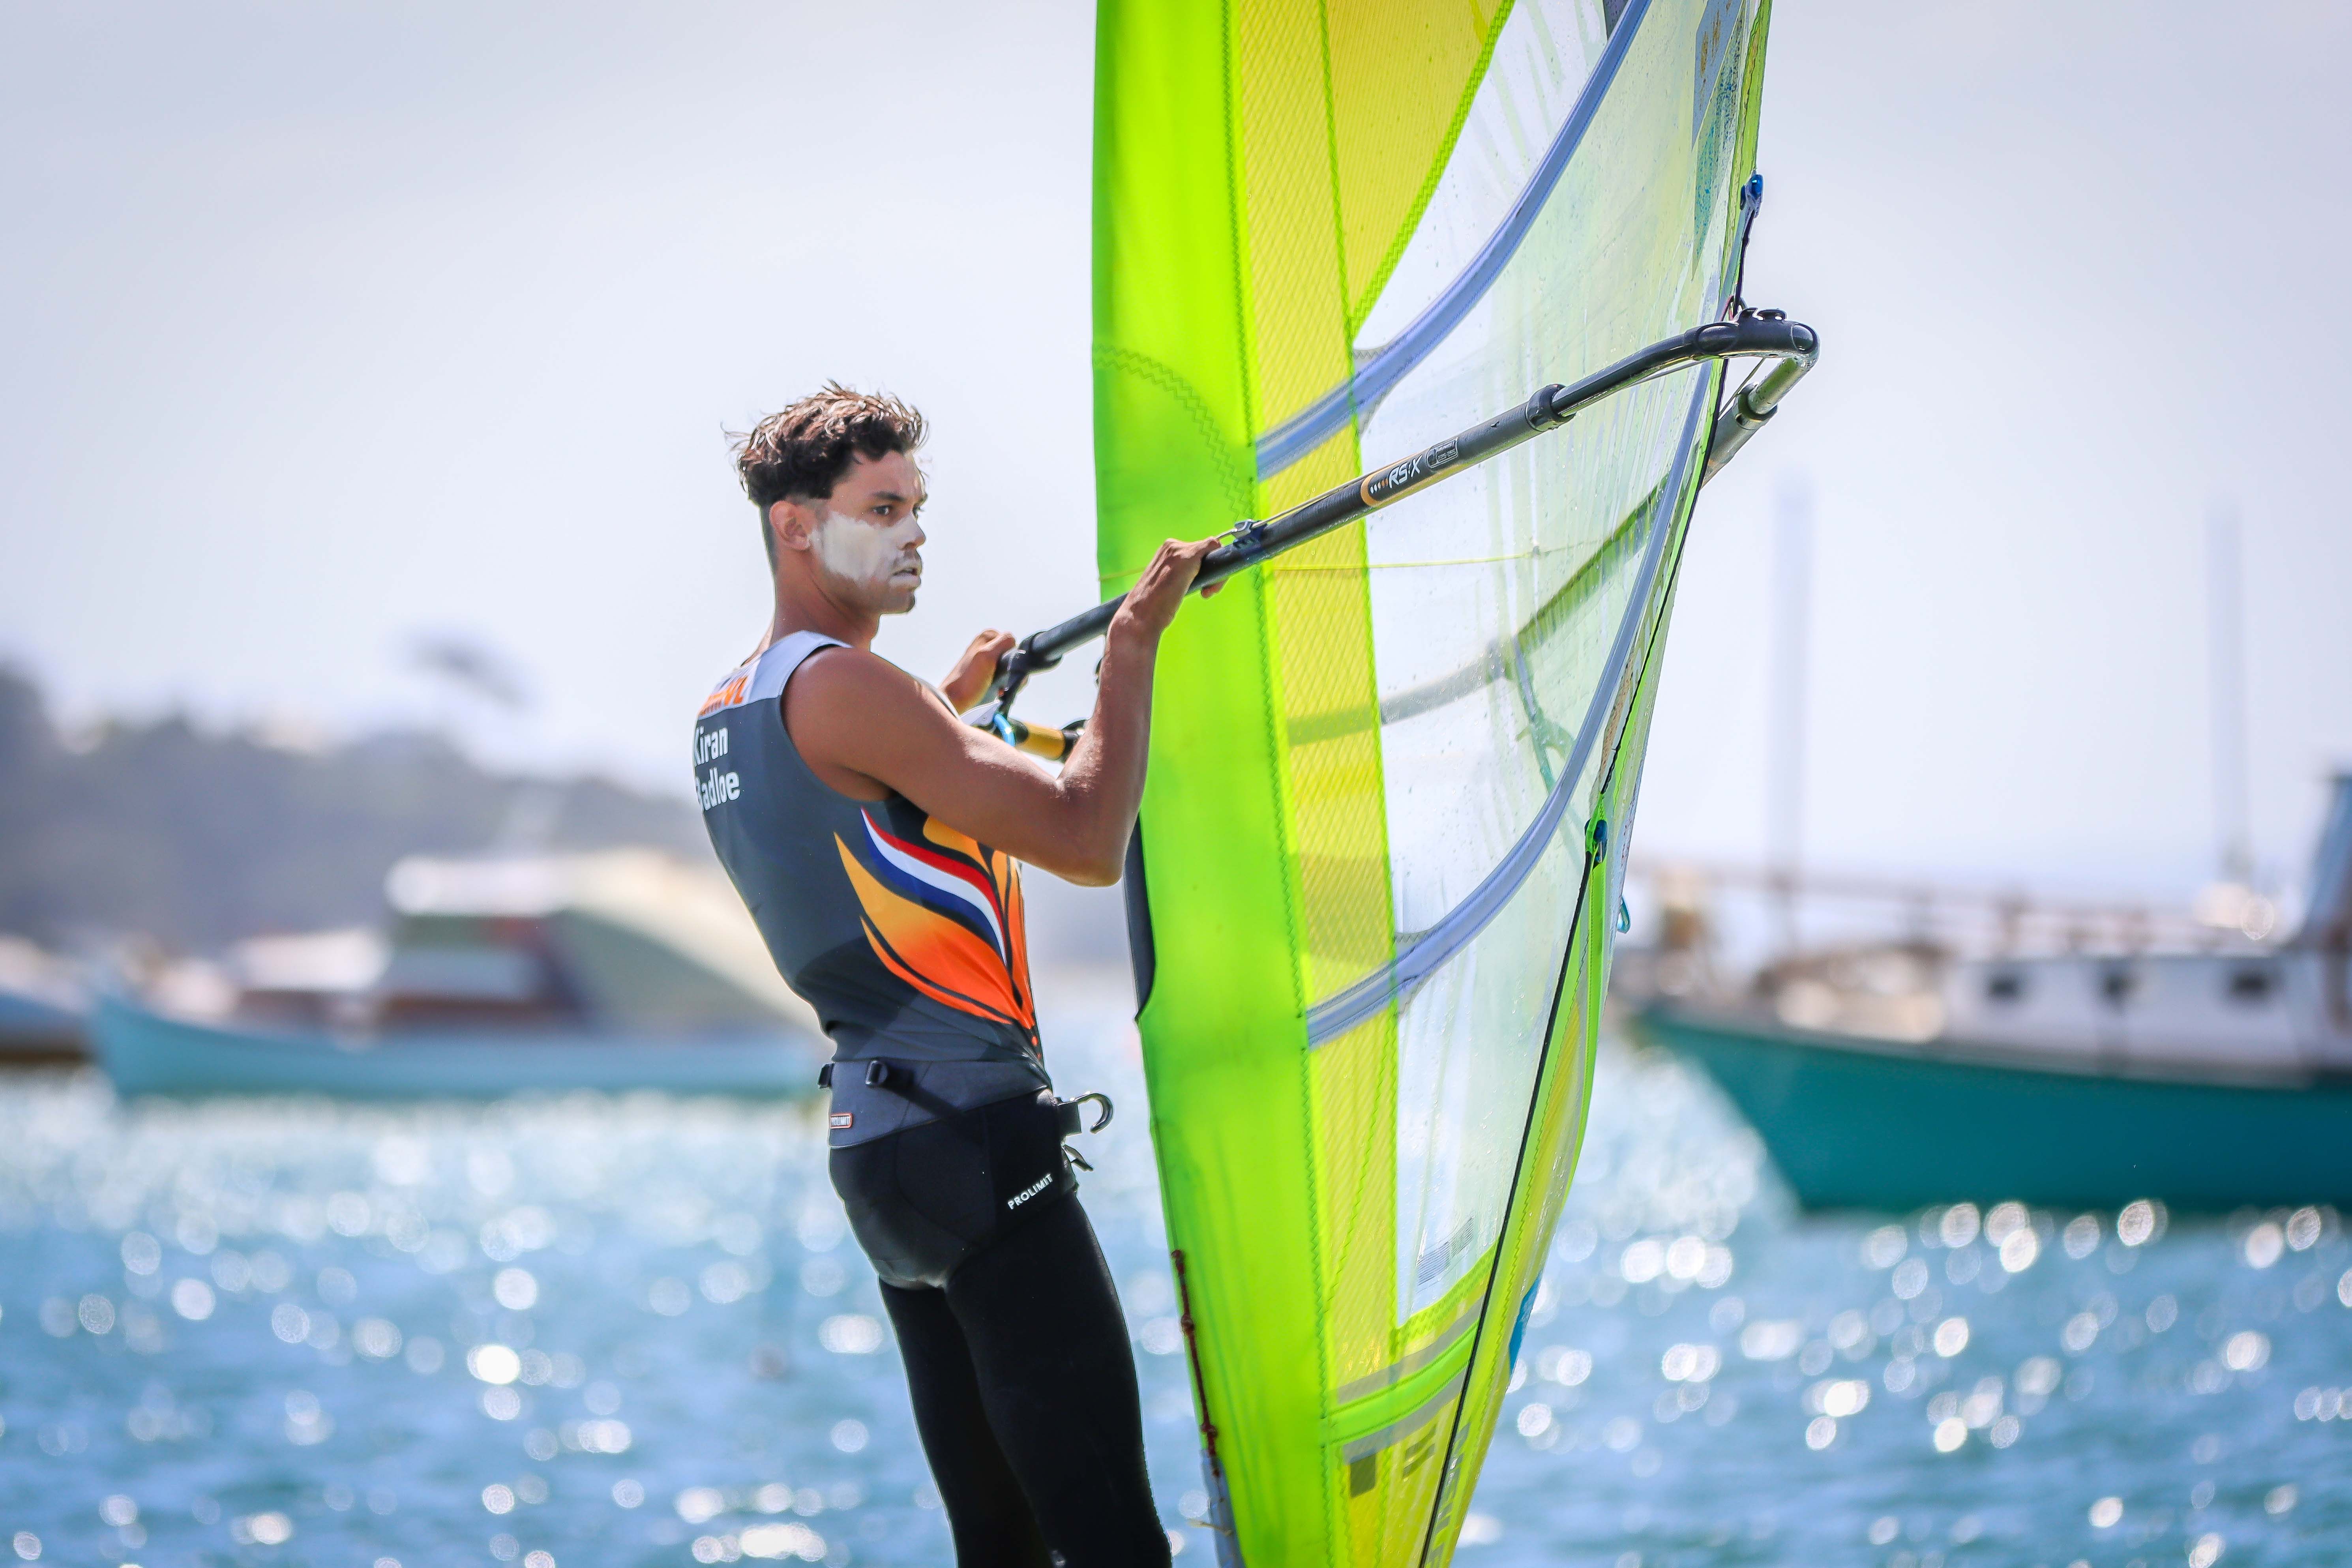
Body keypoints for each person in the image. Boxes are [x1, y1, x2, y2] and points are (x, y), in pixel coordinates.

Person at [694, 384, 1214, 1567]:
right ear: (795, 525)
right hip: (980, 1147)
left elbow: (853, 805)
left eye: (919, 506)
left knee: (1001, 1547)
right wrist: (1133, 644)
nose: (914, 531)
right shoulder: (854, 691)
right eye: (882, 508)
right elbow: (1085, 838)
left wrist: (947, 707)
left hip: (884, 1165)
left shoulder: (732, 713)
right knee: (1115, 1546)